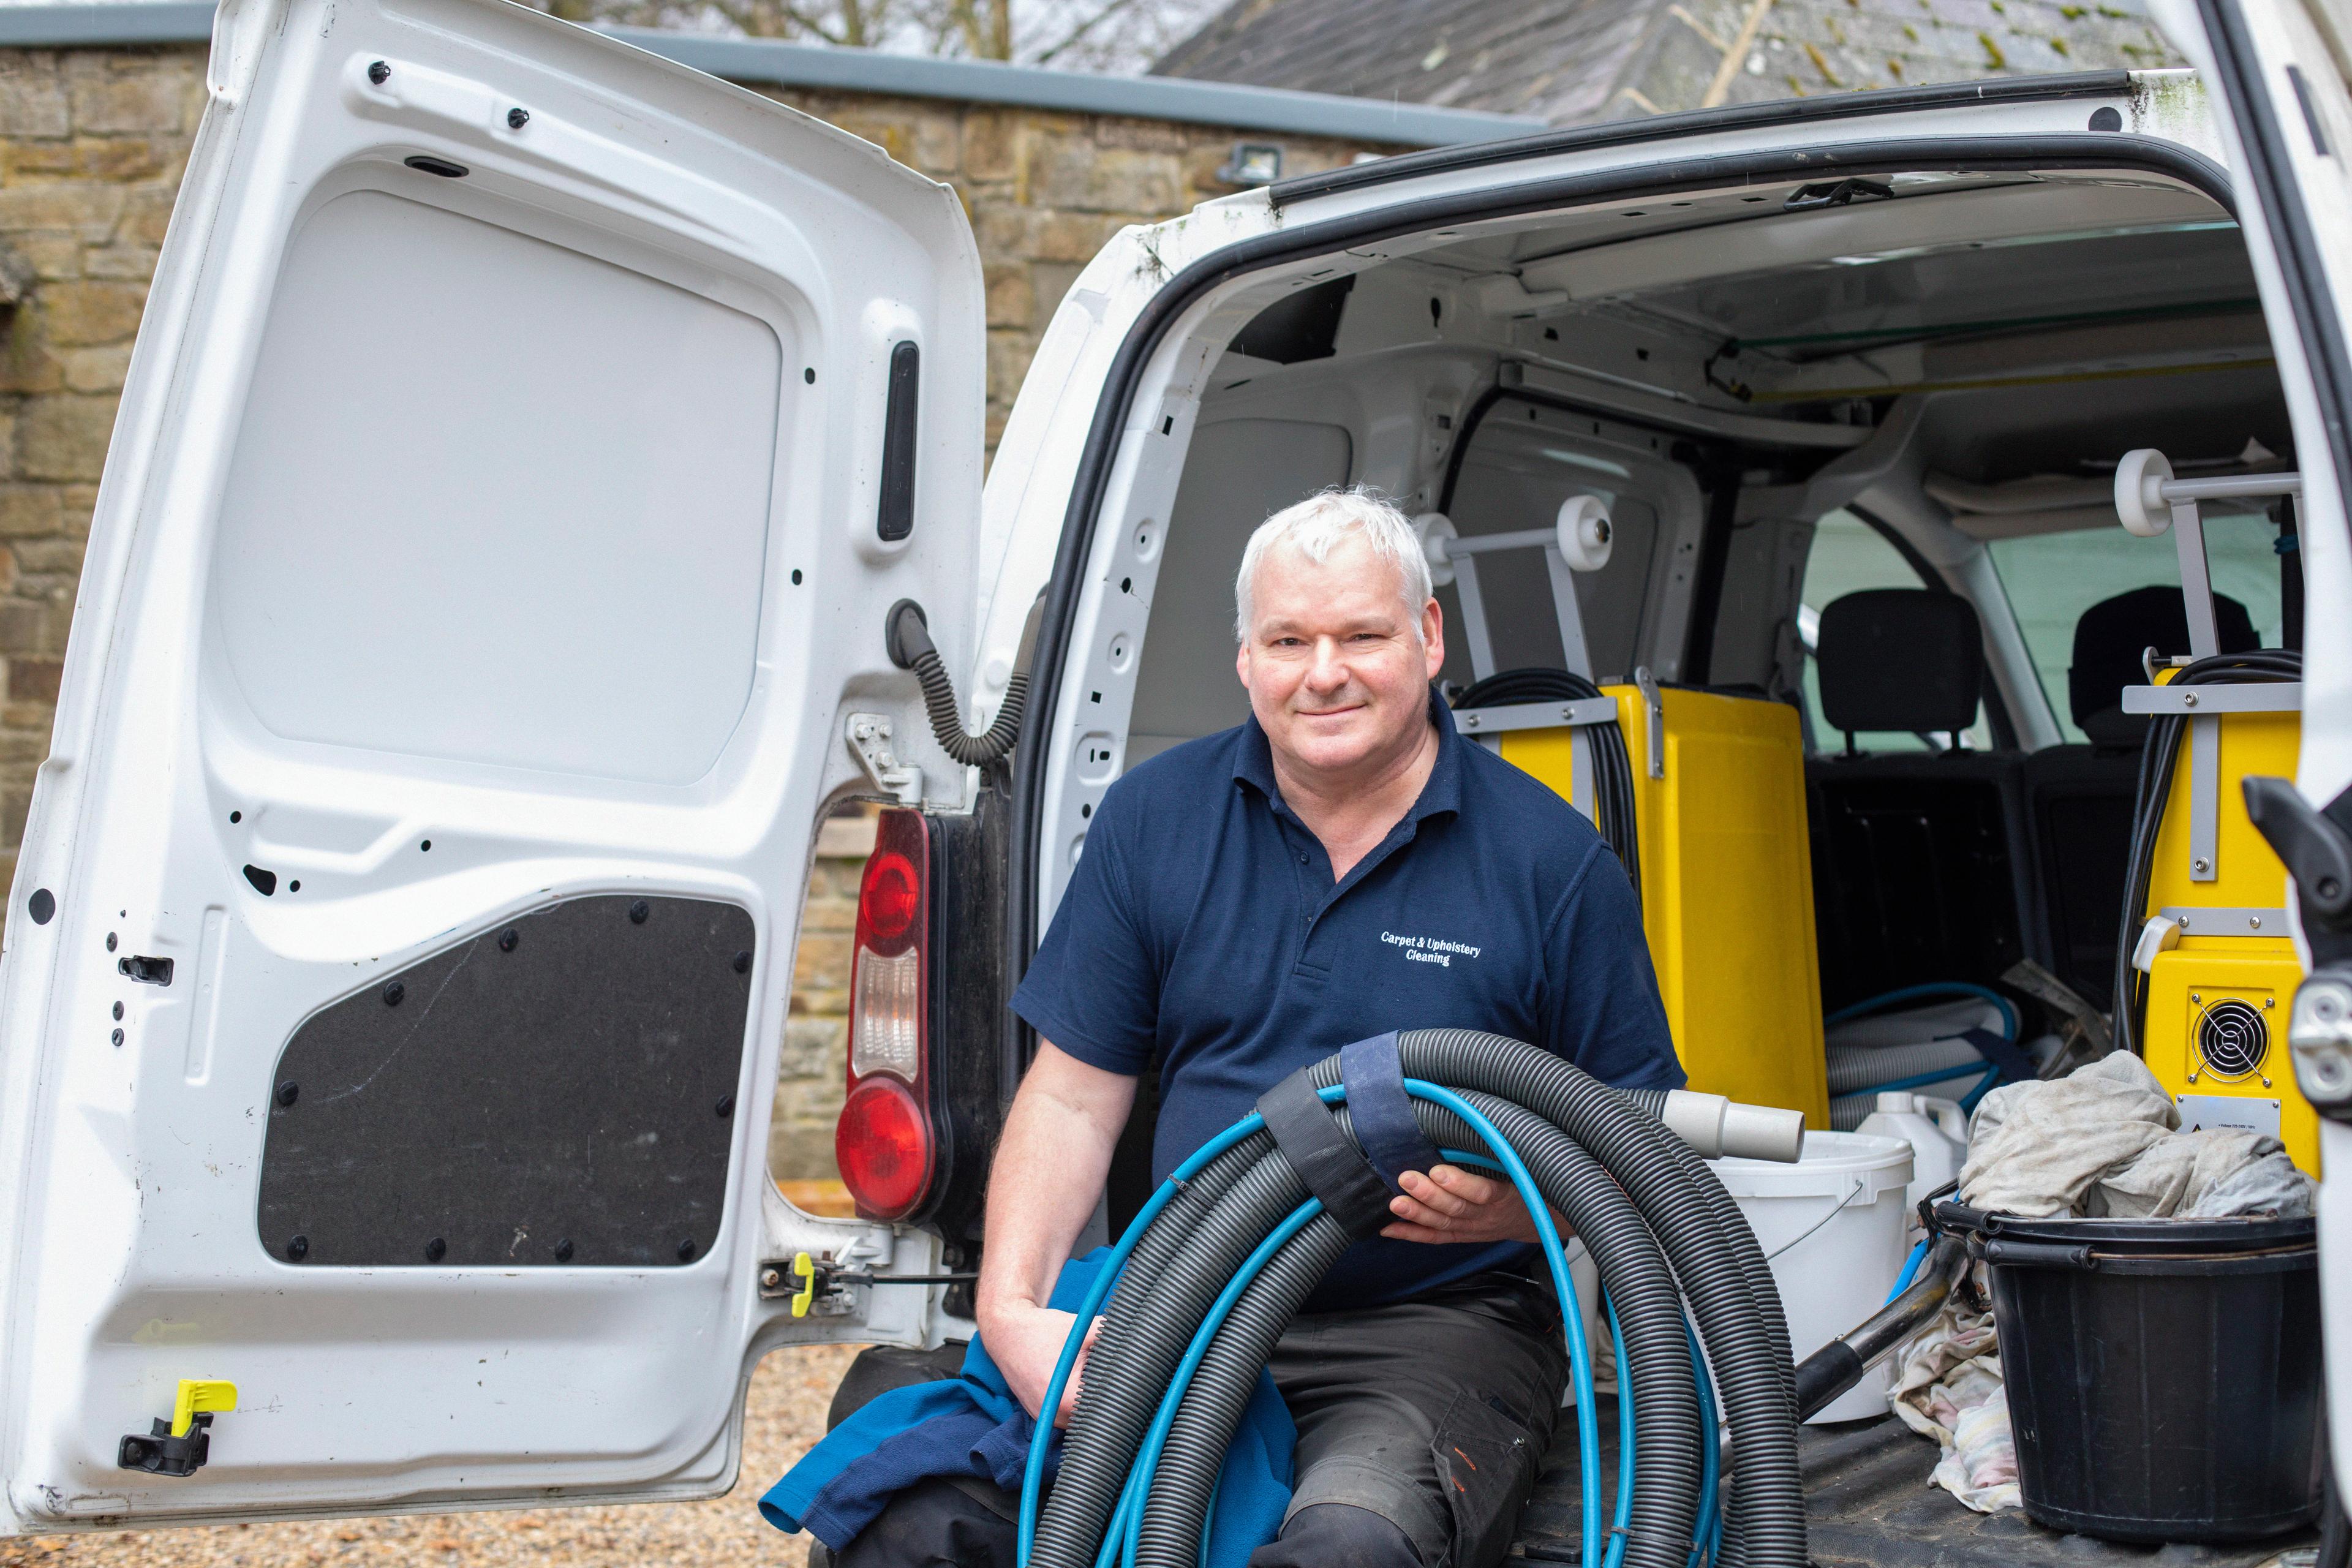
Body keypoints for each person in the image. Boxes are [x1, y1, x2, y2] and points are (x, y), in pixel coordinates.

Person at [868, 486, 1683, 1567]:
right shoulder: (1156, 819)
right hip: (1185, 1292)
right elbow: (1069, 1094)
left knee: (1349, 1545)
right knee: (916, 1508)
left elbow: (1640, 1138)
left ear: (1429, 638)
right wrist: (1012, 1311)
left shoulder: (1549, 861)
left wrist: (1517, 1212)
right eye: (1288, 640)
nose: (1324, 672)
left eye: (1362, 635)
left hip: (1429, 1332)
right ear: (1246, 657)